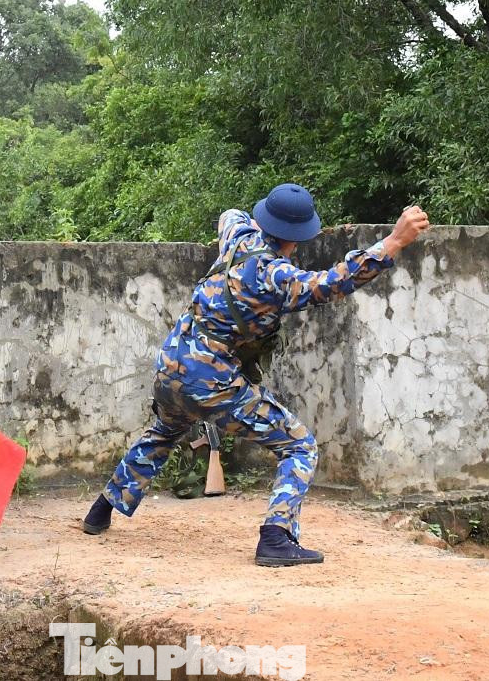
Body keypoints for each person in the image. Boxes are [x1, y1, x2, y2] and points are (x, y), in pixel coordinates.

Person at [81, 183, 430, 565]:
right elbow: (333, 283)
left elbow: (229, 212)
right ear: (299, 236)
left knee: (163, 432)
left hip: (172, 364)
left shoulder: (237, 233)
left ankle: (100, 512)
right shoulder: (278, 276)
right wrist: (394, 241)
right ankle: (276, 539)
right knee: (299, 446)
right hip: (211, 378)